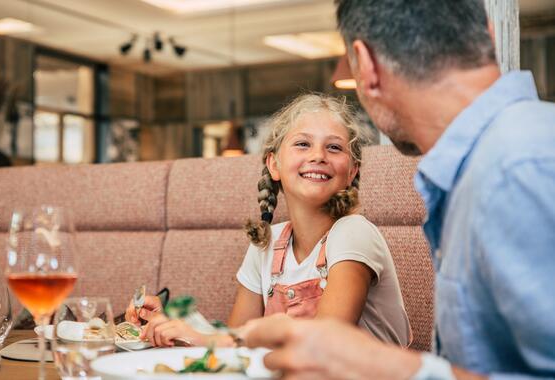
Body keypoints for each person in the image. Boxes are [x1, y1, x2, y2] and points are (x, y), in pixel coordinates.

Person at [243, 0, 555, 379]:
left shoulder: (517, 169)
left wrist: (393, 367)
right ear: (487, 34)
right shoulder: (490, 164)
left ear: (367, 67)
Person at [126, 94, 411, 348]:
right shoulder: (267, 243)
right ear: (273, 164)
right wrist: (175, 326)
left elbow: (322, 342)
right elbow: (235, 342)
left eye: (334, 148)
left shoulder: (354, 232)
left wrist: (205, 336)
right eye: (302, 144)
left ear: (351, 171)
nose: (318, 156)